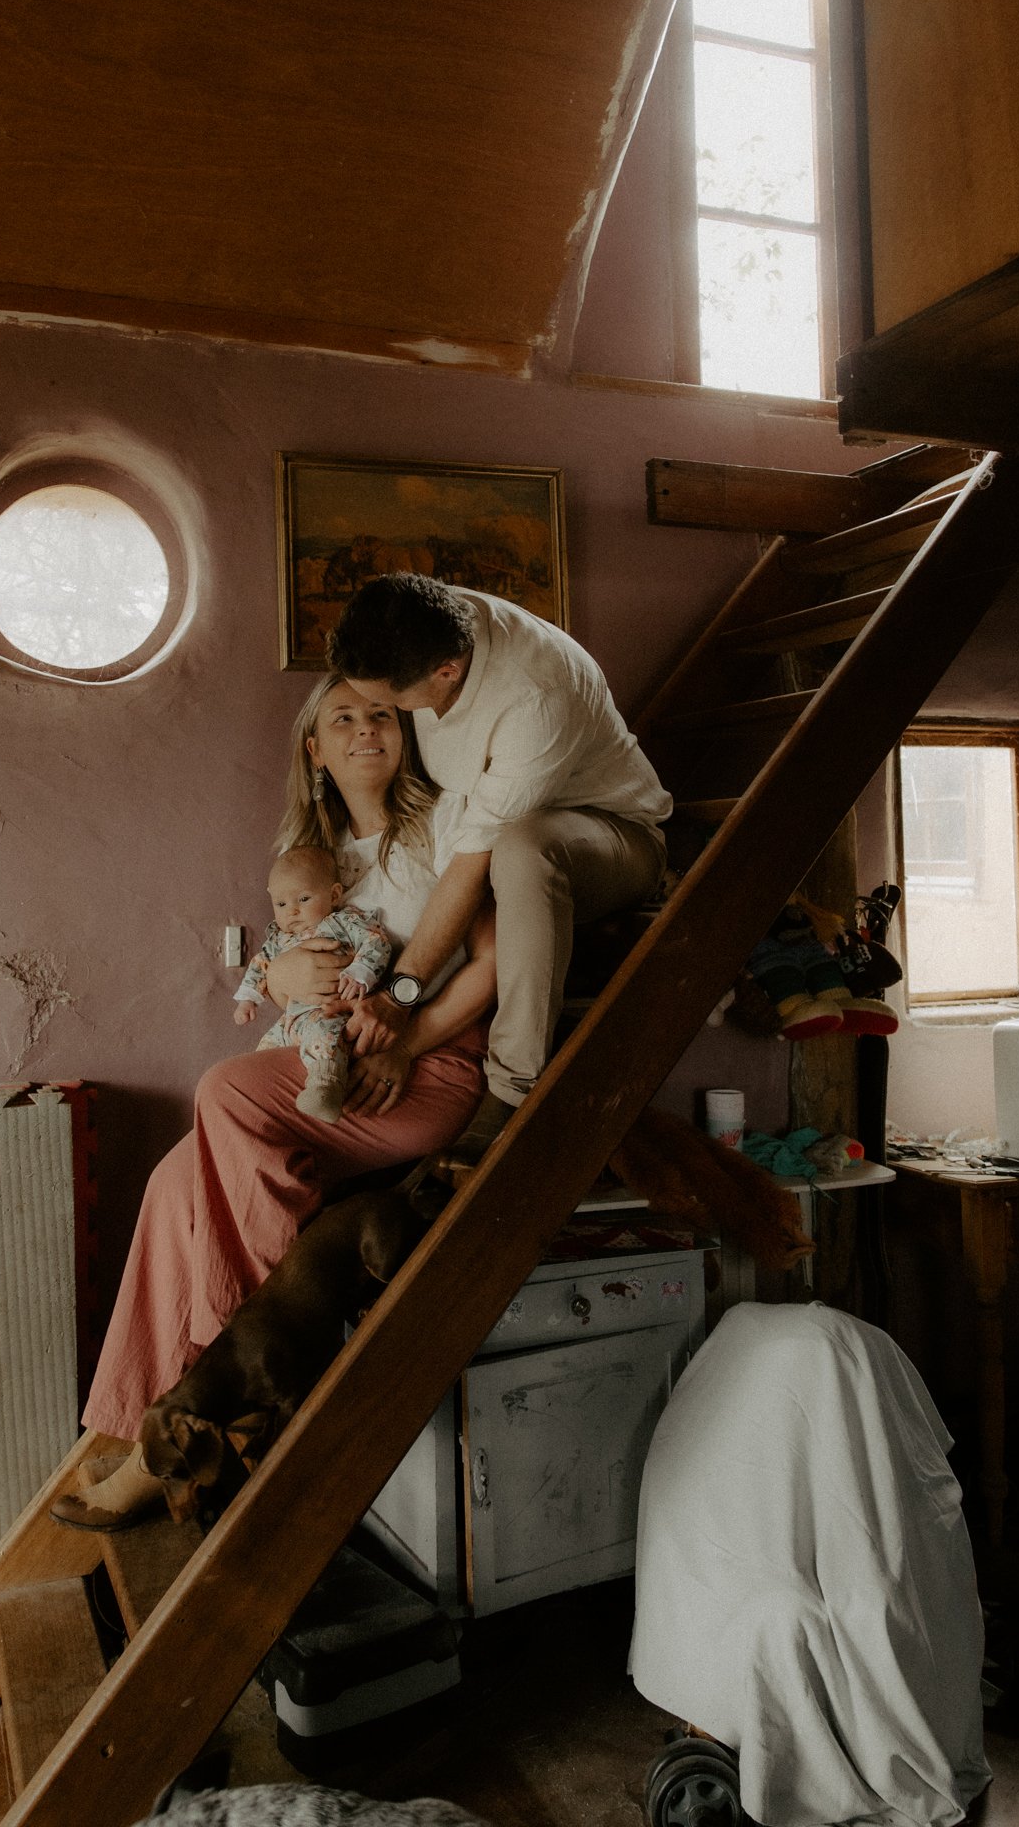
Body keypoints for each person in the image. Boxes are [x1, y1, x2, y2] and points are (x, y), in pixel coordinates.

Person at [52, 674, 495, 1529]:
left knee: (225, 1089)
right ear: (314, 749)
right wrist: (284, 974)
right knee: (172, 1181)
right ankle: (141, 1426)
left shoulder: (446, 829)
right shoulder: (314, 858)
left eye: (381, 714)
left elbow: (493, 966)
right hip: (322, 1072)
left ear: (406, 731)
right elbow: (286, 973)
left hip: (421, 1069)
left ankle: (218, 1388)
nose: (366, 729)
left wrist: (406, 1039)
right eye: (343, 718)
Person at [327, 575, 670, 1158]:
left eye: (394, 706)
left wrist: (399, 999)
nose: (389, 717)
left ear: (446, 672)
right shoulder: (431, 617)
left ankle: (514, 1088)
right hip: (494, 838)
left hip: (614, 837)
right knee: (506, 848)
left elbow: (472, 864)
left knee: (521, 848)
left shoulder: (535, 698)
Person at [232, 845, 392, 1122]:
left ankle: (325, 1088)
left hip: (330, 1008)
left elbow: (376, 941)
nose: (292, 911)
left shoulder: (344, 922)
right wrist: (248, 998)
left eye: (303, 899)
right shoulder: (278, 939)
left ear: (334, 895)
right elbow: (261, 964)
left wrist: (361, 971)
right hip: (291, 1018)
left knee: (324, 1036)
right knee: (265, 1047)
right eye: (281, 904)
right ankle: (258, 1100)